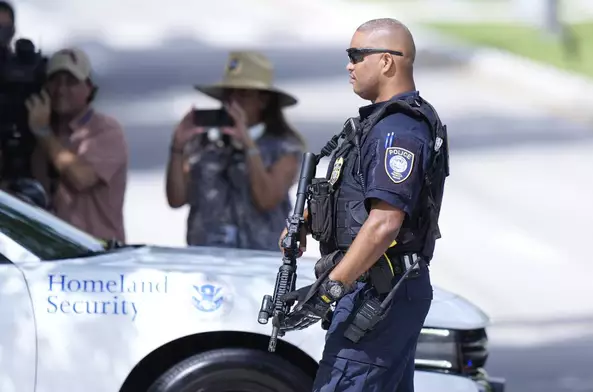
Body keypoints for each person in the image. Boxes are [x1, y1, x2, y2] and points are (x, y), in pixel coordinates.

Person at [278, 18, 450, 391]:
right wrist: (308, 222)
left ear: (387, 62)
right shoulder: (378, 125)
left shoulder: (398, 130)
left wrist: (330, 290)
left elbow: (385, 222)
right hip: (379, 288)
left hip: (378, 293)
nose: (349, 66)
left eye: (356, 55)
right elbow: (359, 203)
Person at [165, 51, 305, 251]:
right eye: (229, 94)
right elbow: (176, 199)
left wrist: (248, 145)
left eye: (243, 94)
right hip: (206, 258)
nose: (233, 102)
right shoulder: (203, 144)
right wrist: (177, 147)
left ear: (263, 100)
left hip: (258, 261)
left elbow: (266, 199)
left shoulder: (285, 147)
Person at [25, 47, 129, 242]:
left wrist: (43, 133)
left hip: (97, 253)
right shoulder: (37, 126)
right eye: (55, 81)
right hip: (48, 250)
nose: (61, 90)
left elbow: (82, 178)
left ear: (89, 88)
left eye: (71, 82)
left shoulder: (106, 130)